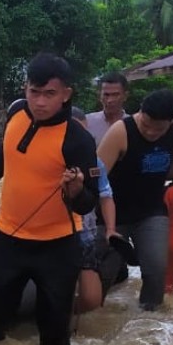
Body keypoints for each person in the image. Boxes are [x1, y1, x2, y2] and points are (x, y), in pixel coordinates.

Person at [0, 53, 99, 345]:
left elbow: (87, 204)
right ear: (25, 88)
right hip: (8, 237)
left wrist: (76, 188)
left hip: (57, 245)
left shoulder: (78, 140)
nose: (39, 102)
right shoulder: (15, 113)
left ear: (66, 93)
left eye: (49, 94)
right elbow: (6, 153)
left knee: (53, 320)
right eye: (33, 92)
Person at [98, 88, 173, 311]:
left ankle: (150, 320)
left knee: (156, 268)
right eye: (146, 124)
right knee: (104, 271)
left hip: (151, 210)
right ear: (140, 112)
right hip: (113, 212)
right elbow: (96, 178)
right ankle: (94, 320)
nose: (151, 132)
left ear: (170, 122)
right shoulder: (120, 132)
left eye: (158, 128)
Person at [71, 107, 121, 314]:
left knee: (91, 299)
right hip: (51, 236)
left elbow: (106, 195)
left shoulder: (93, 161)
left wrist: (110, 229)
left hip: (85, 236)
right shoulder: (43, 156)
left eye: (83, 133)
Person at [86, 71, 130, 145]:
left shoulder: (132, 125)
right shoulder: (87, 122)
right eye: (106, 95)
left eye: (115, 95)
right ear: (99, 96)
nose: (110, 100)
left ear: (125, 96)